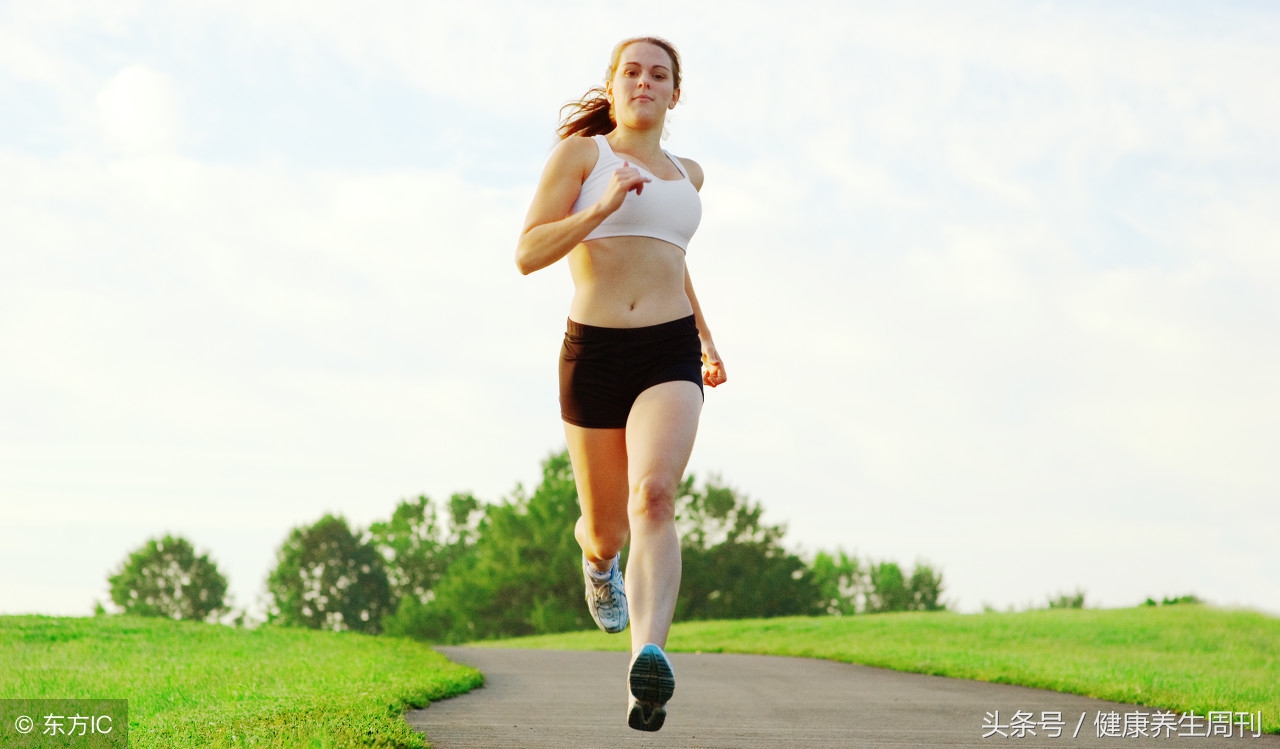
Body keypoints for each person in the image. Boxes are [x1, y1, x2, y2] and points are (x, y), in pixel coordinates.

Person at [515, 36, 725, 732]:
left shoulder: (688, 175)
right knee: (607, 527)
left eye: (658, 74)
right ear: (613, 86)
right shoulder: (583, 157)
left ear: (674, 93)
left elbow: (670, 257)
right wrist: (599, 208)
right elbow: (528, 252)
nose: (644, 81)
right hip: (595, 353)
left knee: (654, 494)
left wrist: (707, 337)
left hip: (668, 352)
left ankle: (649, 658)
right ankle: (597, 561)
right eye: (631, 71)